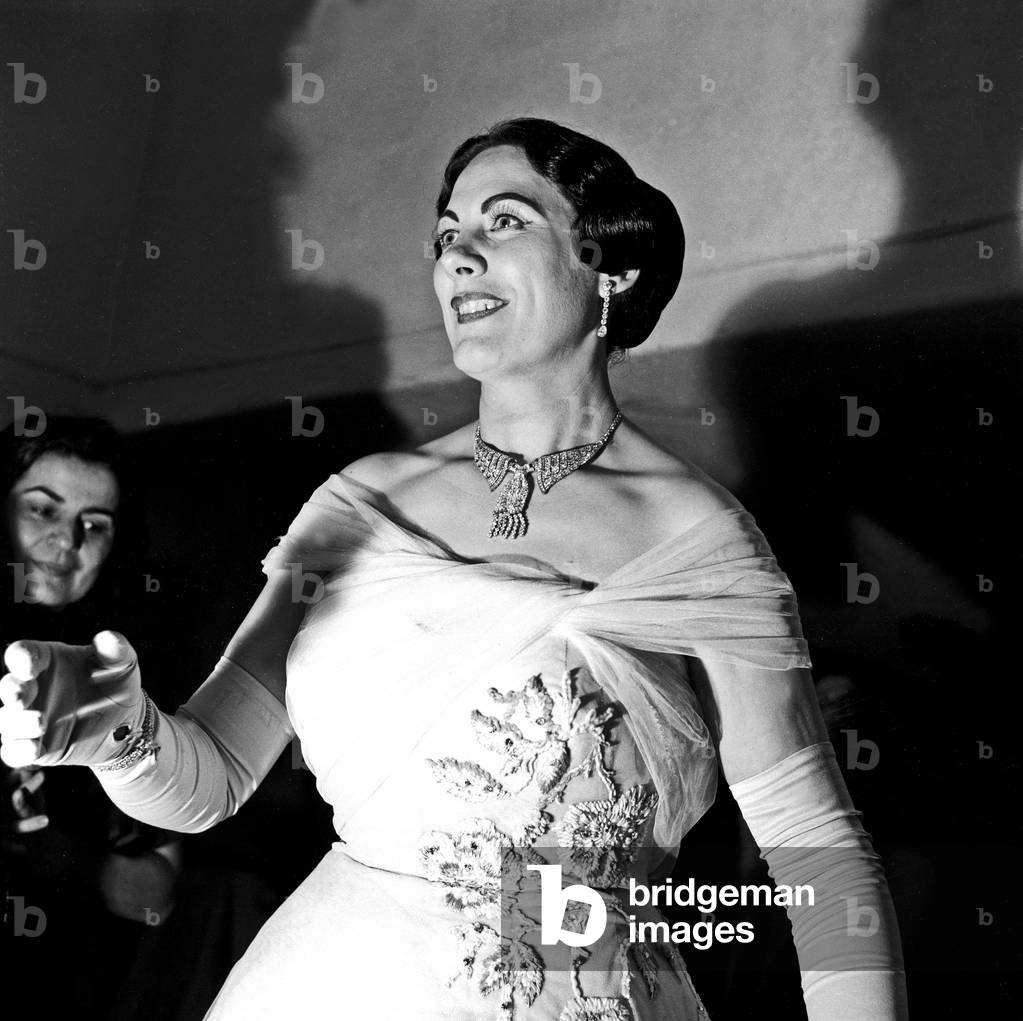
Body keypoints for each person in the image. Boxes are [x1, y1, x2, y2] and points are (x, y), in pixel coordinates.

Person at [0, 119, 907, 1020]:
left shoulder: (697, 539)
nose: (458, 256)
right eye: (446, 235)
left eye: (503, 222)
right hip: (329, 981)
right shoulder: (358, 503)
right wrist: (113, 732)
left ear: (609, 269)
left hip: (565, 977)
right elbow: (212, 777)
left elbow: (815, 851)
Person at [0, 416, 179, 1018]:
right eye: (42, 509)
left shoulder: (121, 671)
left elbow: (153, 892)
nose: (67, 541)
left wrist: (60, 857)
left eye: (93, 524)